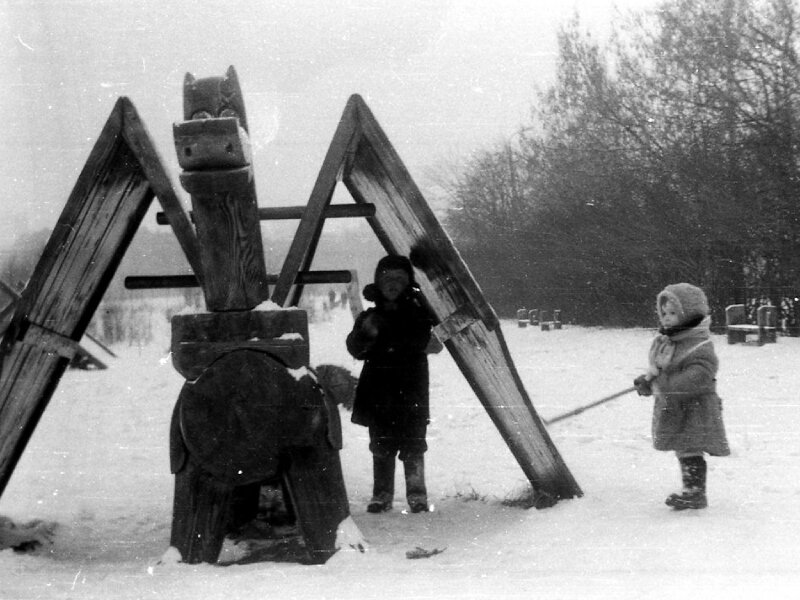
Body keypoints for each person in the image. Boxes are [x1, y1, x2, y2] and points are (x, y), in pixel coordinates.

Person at [346, 255, 442, 513]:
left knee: (414, 443)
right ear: (378, 282)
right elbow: (355, 348)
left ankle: (417, 495)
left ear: (408, 283)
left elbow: (428, 341)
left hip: (411, 389)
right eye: (387, 278)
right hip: (378, 391)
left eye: (399, 279)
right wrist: (365, 334)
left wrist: (402, 337)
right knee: (381, 444)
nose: (393, 284)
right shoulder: (369, 316)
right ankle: (382, 494)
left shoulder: (419, 314)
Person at [634, 283, 730, 510]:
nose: (666, 318)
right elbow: (662, 370)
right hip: (678, 407)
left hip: (695, 407)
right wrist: (647, 381)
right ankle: (692, 491)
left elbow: (698, 376)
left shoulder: (699, 344)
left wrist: (662, 385)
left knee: (690, 447)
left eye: (673, 313)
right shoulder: (671, 341)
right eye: (664, 313)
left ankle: (695, 493)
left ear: (689, 314)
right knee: (684, 447)